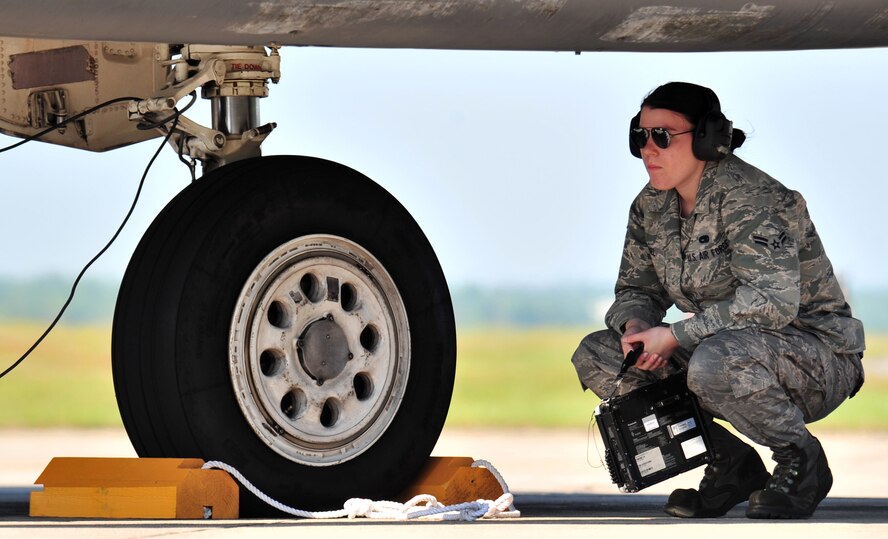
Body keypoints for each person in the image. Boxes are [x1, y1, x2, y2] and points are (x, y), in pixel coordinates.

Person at [572, 82, 865, 519]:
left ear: (708, 138)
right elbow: (637, 289)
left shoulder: (753, 198)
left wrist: (673, 335)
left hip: (814, 355)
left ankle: (800, 460)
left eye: (663, 136)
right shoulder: (651, 207)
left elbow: (771, 301)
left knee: (714, 360)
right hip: (728, 347)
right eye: (640, 136)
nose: (648, 149)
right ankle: (731, 464)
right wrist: (636, 327)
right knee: (601, 354)